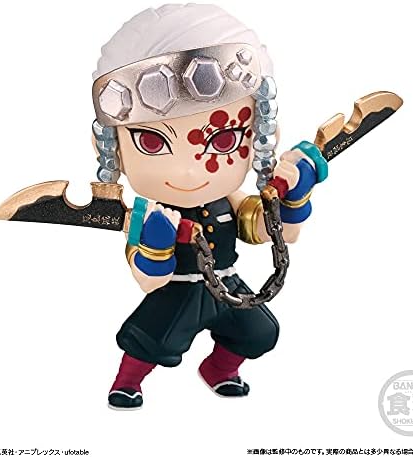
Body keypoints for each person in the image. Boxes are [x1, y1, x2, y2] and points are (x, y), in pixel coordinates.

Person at [91, 4, 321, 410]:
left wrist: (293, 197)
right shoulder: (151, 214)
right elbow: (148, 281)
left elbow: (273, 231)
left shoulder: (229, 200)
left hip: (228, 285)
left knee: (258, 331)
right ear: (111, 148)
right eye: (152, 142)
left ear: (261, 135)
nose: (186, 170)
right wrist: (156, 246)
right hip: (177, 291)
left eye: (223, 140)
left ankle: (219, 369)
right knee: (151, 338)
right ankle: (127, 382)